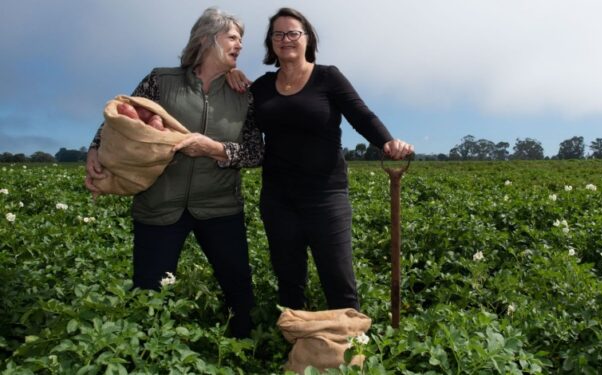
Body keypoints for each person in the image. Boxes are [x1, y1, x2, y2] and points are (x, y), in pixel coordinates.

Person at [176, 7, 414, 311]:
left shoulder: (328, 77)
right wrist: (228, 73)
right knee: (289, 282)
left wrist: (388, 142)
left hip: (326, 196)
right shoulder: (260, 88)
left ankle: (351, 351)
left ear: (307, 38)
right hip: (278, 199)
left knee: (338, 280)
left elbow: (362, 116)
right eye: (278, 34)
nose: (285, 39)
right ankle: (296, 347)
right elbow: (225, 101)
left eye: (292, 33)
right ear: (271, 43)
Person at [84, 7, 264, 338]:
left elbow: (256, 152)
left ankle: (247, 351)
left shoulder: (245, 96)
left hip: (220, 206)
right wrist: (96, 147)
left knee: (240, 292)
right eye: (233, 37)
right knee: (147, 295)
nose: (240, 44)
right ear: (208, 39)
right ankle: (145, 355)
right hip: (159, 205)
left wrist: (216, 149)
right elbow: (122, 121)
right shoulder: (161, 80)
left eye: (242, 39)